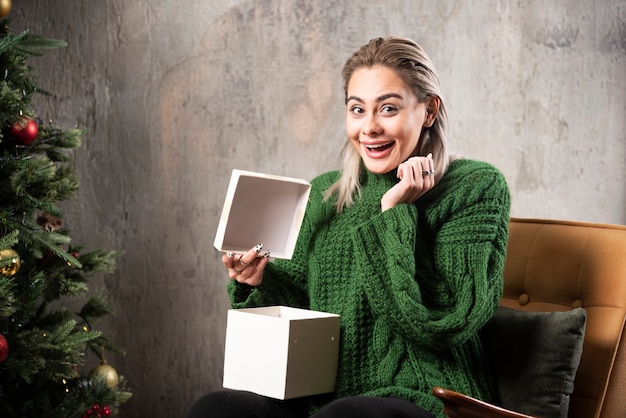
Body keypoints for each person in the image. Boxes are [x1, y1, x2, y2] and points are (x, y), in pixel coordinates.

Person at [186, 36, 511, 418]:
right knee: (216, 409)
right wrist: (257, 280)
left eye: (388, 108)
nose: (369, 128)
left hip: (426, 394)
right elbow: (299, 309)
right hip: (322, 393)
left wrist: (394, 213)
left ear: (429, 110)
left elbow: (449, 323)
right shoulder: (327, 193)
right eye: (357, 109)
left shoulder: (475, 187)